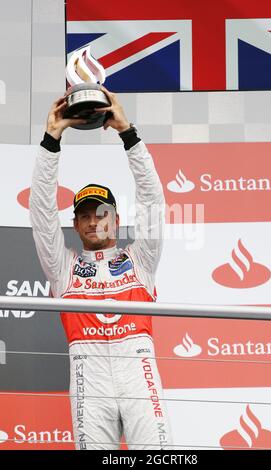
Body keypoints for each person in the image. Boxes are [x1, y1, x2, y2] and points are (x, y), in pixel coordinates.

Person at [29, 86, 173, 450]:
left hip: (138, 372)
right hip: (87, 379)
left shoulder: (141, 259)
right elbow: (43, 215)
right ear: (76, 226)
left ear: (116, 219)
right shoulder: (63, 269)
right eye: (84, 216)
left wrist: (129, 134)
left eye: (101, 214)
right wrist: (51, 139)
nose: (94, 222)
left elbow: (152, 200)